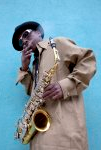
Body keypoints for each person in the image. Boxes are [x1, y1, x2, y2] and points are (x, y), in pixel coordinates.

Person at [12, 21, 96, 150]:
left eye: (26, 34)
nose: (23, 41)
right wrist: (24, 68)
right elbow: (33, 93)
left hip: (63, 134)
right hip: (40, 136)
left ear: (38, 32)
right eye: (20, 43)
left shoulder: (57, 44)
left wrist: (65, 86)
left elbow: (88, 60)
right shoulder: (34, 64)